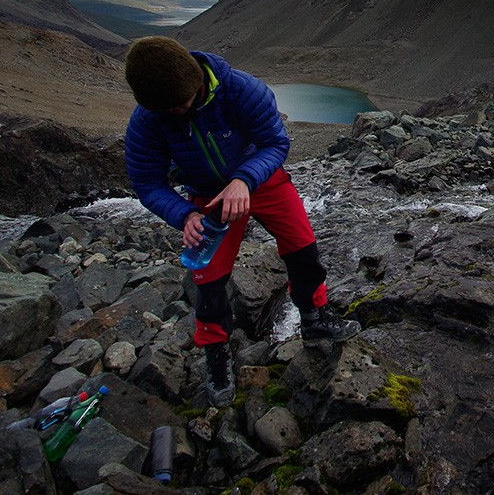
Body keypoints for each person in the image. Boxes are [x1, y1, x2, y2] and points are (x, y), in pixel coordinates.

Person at [122, 36, 360, 406]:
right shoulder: (148, 120)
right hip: (206, 197)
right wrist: (185, 215)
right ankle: (216, 355)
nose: (175, 113)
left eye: (181, 104)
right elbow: (147, 182)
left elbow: (275, 144)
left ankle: (315, 317)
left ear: (197, 82)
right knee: (208, 279)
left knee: (302, 245)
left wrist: (243, 180)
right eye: (166, 109)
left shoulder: (242, 90)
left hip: (261, 179)